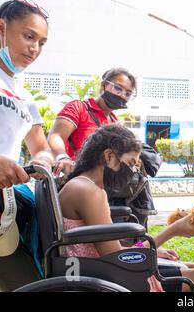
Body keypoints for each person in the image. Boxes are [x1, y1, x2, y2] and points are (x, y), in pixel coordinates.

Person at [59, 124, 194, 292]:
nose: (134, 171)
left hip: (98, 269)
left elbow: (113, 250)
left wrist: (152, 250)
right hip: (104, 277)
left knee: (193, 267)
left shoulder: (86, 186)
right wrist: (173, 230)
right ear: (108, 156)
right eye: (131, 163)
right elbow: (118, 258)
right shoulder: (89, 192)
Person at [47, 68, 159, 226]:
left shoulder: (115, 121)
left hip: (108, 188)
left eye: (128, 93)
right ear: (104, 85)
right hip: (79, 183)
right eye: (118, 88)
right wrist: (62, 156)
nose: (122, 95)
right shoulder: (79, 107)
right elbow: (56, 135)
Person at [0, 0, 54, 291]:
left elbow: (41, 146)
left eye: (42, 42)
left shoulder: (25, 97)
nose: (35, 48)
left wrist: (43, 162)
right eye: (28, 36)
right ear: (0, 28)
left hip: (5, 209)